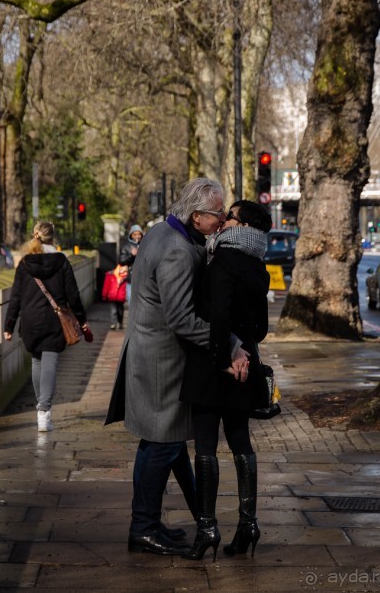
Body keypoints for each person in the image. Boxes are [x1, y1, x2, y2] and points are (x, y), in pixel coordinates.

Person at [105, 178, 248, 556]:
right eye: (218, 215)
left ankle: (157, 523)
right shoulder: (177, 251)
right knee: (162, 445)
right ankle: (143, 528)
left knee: (158, 443)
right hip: (162, 364)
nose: (222, 221)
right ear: (197, 216)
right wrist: (231, 345)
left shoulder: (159, 231)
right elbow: (183, 320)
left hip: (150, 355)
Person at [179, 200, 272, 561]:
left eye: (230, 215)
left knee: (205, 445)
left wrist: (224, 358)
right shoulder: (257, 265)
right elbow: (261, 328)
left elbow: (216, 316)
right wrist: (244, 351)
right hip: (245, 363)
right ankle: (248, 524)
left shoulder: (221, 262)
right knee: (240, 443)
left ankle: (207, 529)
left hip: (215, 364)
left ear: (242, 225)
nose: (223, 219)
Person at [3, 221, 92, 432]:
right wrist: (81, 319)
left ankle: (40, 407)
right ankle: (44, 411)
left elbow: (15, 296)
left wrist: (9, 325)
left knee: (36, 360)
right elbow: (73, 294)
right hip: (55, 318)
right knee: (50, 359)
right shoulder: (61, 261)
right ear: (53, 238)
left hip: (31, 320)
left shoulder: (25, 263)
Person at [119, 224, 144, 304]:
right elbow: (122, 261)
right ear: (131, 235)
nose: (137, 236)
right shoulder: (126, 247)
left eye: (139, 234)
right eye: (135, 234)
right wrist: (131, 255)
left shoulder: (145, 245)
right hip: (131, 278)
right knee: (131, 301)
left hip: (144, 278)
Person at [102, 264, 129, 329]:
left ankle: (120, 323)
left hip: (120, 297)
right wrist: (104, 295)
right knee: (114, 311)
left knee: (120, 311)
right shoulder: (110, 276)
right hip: (113, 296)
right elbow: (106, 286)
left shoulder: (126, 277)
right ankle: (113, 324)